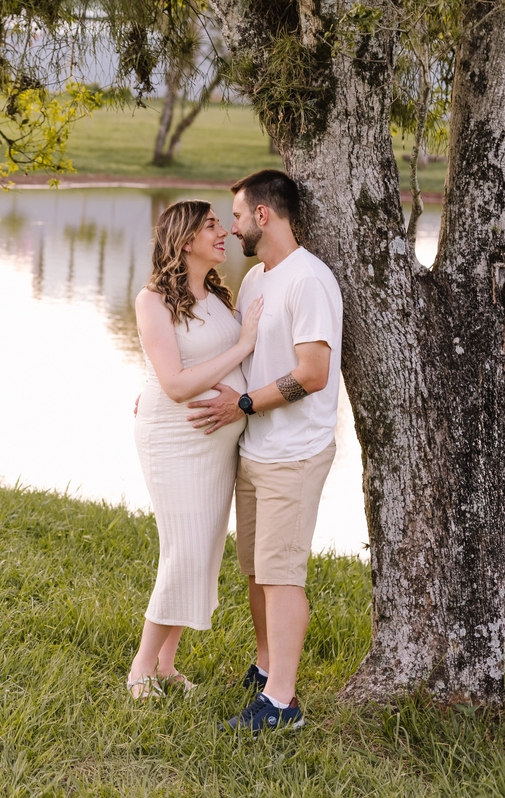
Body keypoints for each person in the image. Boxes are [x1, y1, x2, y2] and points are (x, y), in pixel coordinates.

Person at [186, 169, 343, 733]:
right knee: (256, 571)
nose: (231, 227)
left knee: (281, 576)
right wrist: (162, 395)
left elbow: (315, 373)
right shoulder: (255, 281)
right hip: (255, 450)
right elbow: (226, 354)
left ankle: (283, 703)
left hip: (294, 453)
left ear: (263, 215)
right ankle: (266, 665)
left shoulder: (309, 281)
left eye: (236, 215)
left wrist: (246, 405)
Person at [126, 199, 263, 699]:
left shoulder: (216, 295)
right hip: (175, 440)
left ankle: (166, 665)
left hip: (216, 446)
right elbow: (177, 384)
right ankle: (141, 669)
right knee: (183, 550)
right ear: (185, 240)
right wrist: (244, 344)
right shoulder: (153, 300)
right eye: (211, 226)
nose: (223, 231)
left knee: (202, 551)